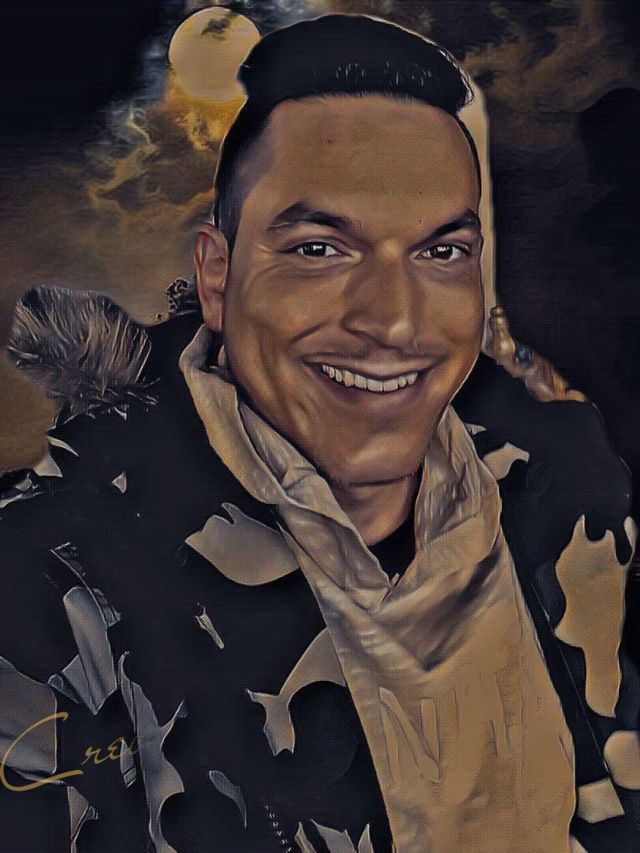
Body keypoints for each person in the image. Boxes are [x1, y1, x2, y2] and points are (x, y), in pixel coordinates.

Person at [0, 13, 638, 853]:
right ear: (217, 276)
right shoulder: (45, 588)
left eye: (441, 252)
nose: (395, 319)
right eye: (319, 249)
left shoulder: (564, 489)